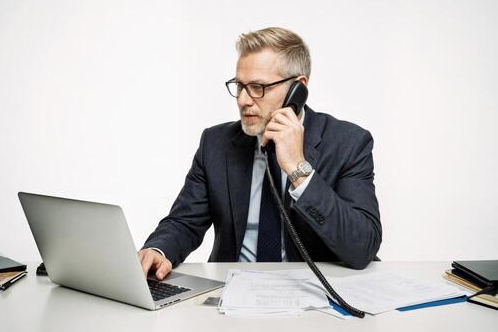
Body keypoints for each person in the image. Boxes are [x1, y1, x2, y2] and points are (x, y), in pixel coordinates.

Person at [138, 27, 382, 280]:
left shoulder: (348, 143)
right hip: (232, 291)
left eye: (258, 87)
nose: (243, 100)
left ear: (297, 89)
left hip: (313, 293)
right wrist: (159, 250)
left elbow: (362, 247)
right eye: (239, 86)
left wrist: (298, 168)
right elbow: (184, 222)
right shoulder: (215, 143)